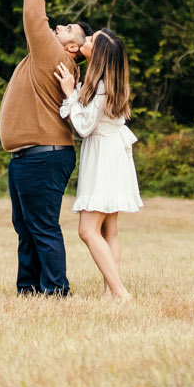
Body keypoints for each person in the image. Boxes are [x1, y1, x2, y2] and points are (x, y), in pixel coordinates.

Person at [0, 0, 90, 295]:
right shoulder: (46, 58)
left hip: (43, 155)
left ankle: (55, 290)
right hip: (29, 156)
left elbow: (35, 17)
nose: (58, 27)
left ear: (70, 47)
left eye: (66, 29)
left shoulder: (58, 57)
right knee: (27, 225)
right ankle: (29, 289)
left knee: (42, 225)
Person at [55, 28, 140, 301]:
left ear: (99, 53)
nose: (87, 40)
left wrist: (69, 93)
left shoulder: (101, 87)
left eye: (91, 40)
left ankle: (120, 292)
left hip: (105, 160)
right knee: (109, 229)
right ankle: (110, 293)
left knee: (87, 230)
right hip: (112, 156)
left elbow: (83, 126)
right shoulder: (107, 82)